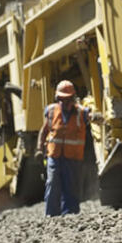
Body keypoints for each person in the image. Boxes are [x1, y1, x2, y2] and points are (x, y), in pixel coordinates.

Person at [39, 80, 94, 217]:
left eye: (68, 99)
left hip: (73, 157)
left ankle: (70, 215)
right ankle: (51, 215)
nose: (65, 103)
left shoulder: (81, 112)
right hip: (54, 155)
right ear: (58, 99)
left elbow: (92, 116)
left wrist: (96, 117)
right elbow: (44, 130)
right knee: (52, 183)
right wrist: (39, 149)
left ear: (73, 99)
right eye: (62, 100)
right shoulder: (52, 110)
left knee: (71, 186)